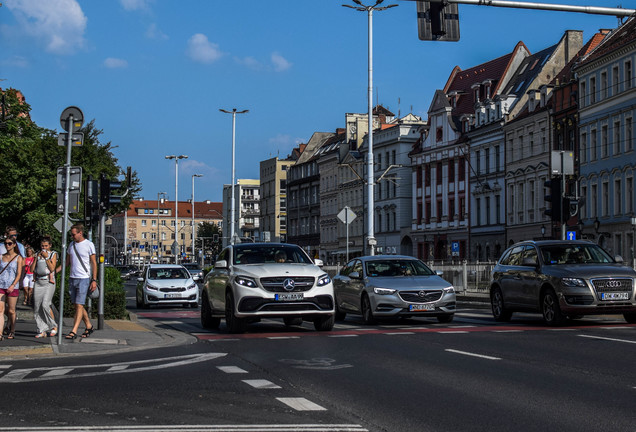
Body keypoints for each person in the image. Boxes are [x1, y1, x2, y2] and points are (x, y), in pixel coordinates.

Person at [65, 224, 97, 340]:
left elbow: (93, 263)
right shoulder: (71, 245)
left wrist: (94, 279)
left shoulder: (89, 245)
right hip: (72, 278)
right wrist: (54, 271)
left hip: (84, 278)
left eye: (74, 234)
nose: (72, 236)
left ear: (80, 233)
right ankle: (89, 325)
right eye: (71, 235)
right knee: (76, 305)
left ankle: (74, 331)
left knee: (79, 305)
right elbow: (67, 263)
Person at [31, 236, 58, 338]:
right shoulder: (38, 254)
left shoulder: (53, 254)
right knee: (37, 307)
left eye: (46, 246)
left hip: (48, 282)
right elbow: (32, 269)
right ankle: (41, 329)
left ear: (50, 245)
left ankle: (53, 325)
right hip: (38, 281)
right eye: (42, 246)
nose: (44, 248)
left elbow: (52, 268)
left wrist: (46, 257)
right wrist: (35, 259)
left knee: (45, 304)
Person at [0, 236, 24, 340]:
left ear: (14, 244)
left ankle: (12, 330)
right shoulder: (1, 256)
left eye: (9, 243)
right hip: (1, 284)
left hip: (12, 286)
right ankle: (0, 333)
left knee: (11, 310)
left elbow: (19, 274)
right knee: (0, 310)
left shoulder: (18, 258)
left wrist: (13, 285)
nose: (7, 245)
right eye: (5, 243)